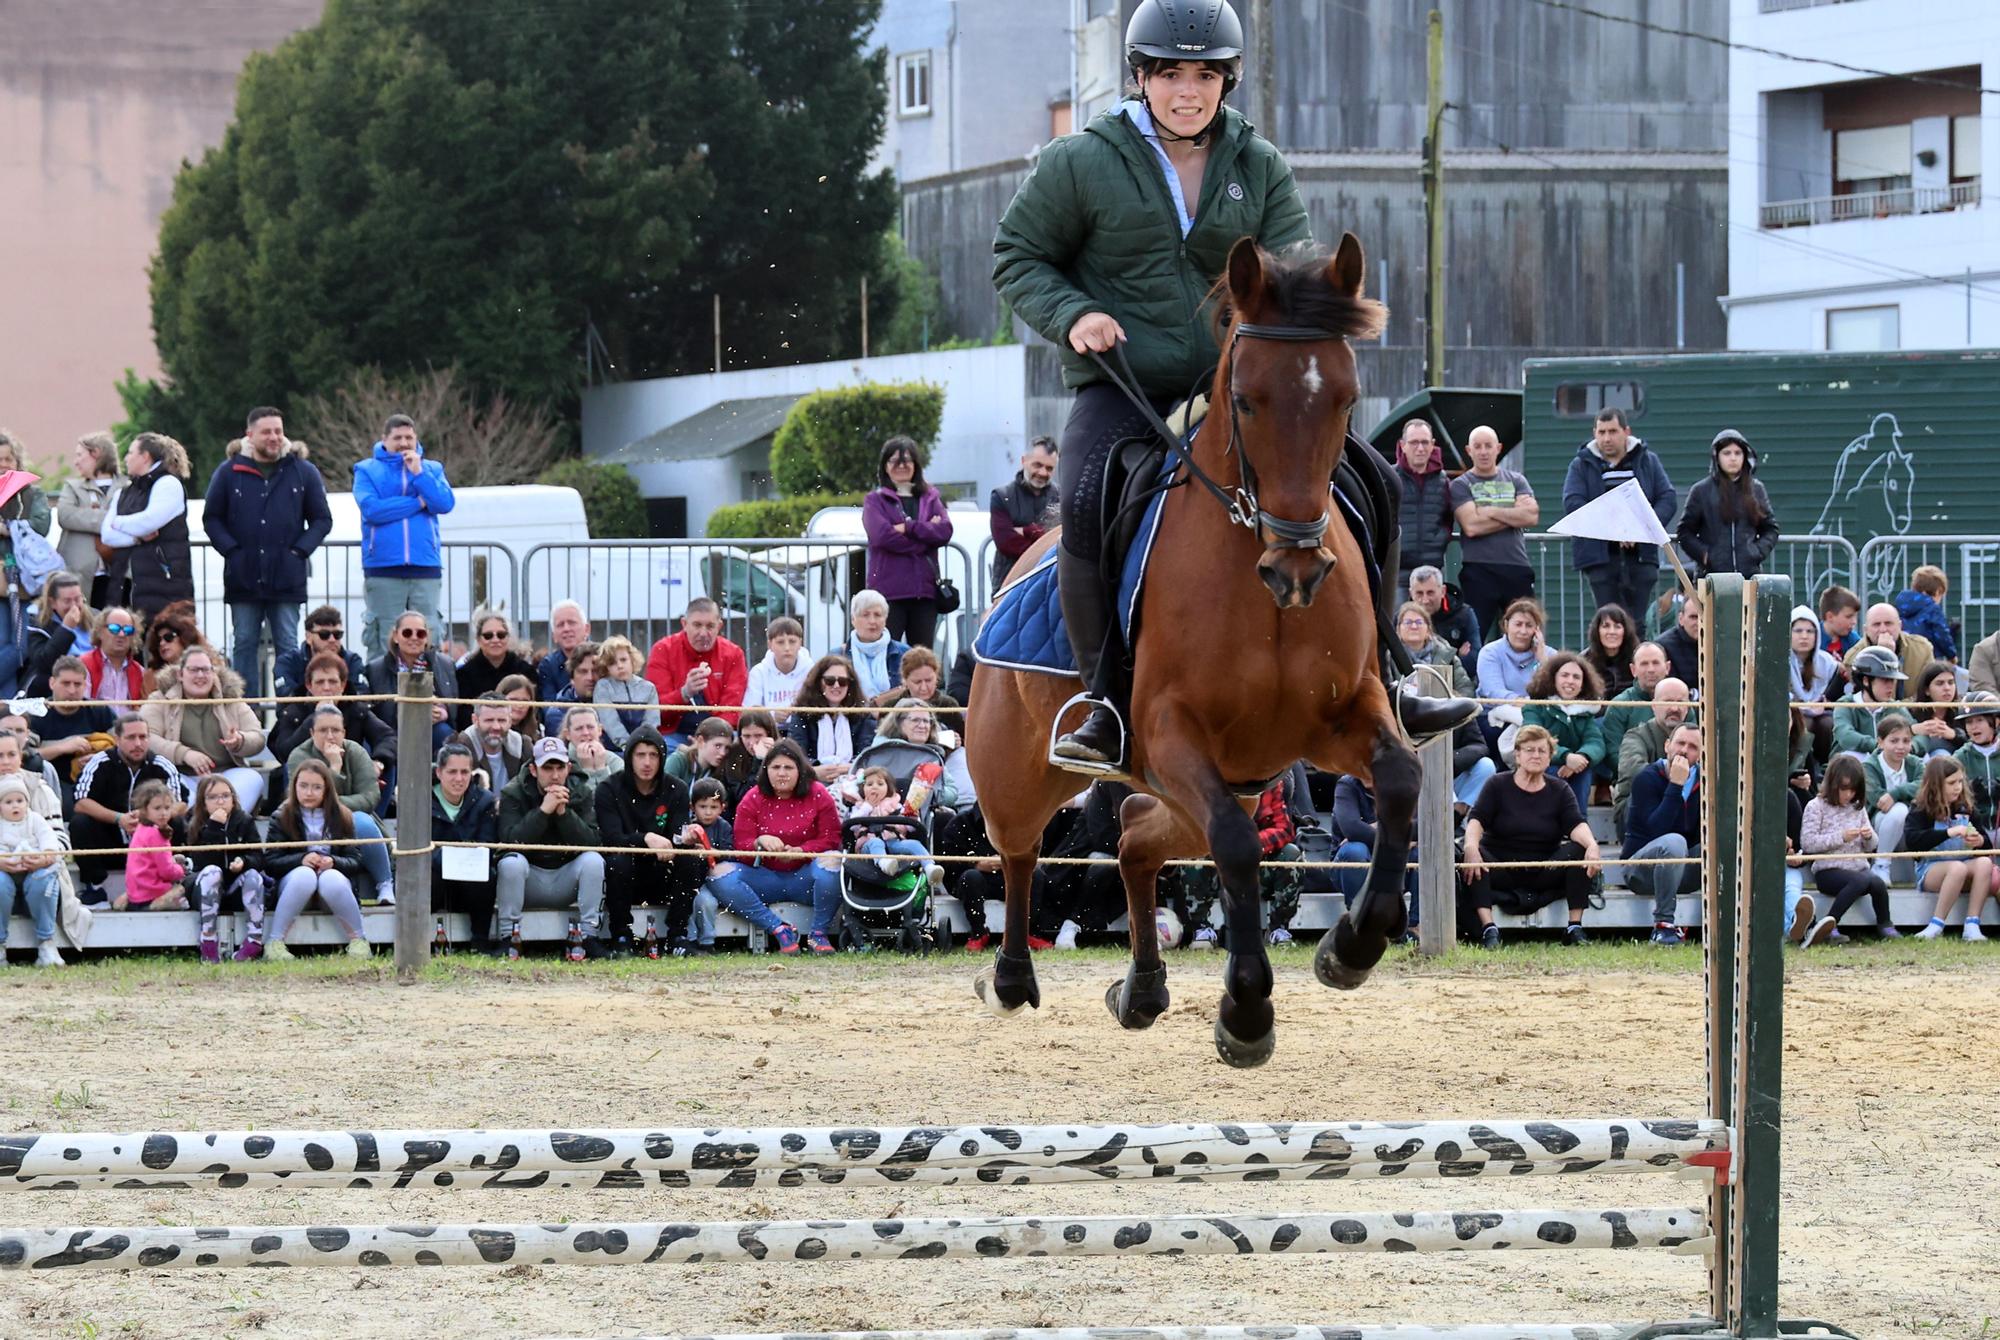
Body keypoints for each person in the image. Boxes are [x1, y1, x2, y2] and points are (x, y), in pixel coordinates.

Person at [993, 0, 1350, 771]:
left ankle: (1385, 671)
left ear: (1228, 80)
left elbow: (1290, 271)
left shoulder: (1260, 165)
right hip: (1122, 385)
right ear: (1141, 77)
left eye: (1204, 76)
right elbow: (1017, 256)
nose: (1187, 92)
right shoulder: (1079, 160)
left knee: (1372, 480)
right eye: (1169, 75)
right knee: (1085, 503)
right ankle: (1101, 704)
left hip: (1237, 391)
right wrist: (1073, 312)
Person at [203, 408, 334, 690]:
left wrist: (298, 551)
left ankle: (288, 711)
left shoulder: (304, 471)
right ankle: (245, 711)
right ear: (250, 435)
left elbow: (322, 520)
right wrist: (233, 552)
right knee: (244, 644)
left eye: (278, 431)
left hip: (287, 578)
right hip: (243, 577)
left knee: (288, 643)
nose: (274, 437)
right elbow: (212, 518)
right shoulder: (228, 472)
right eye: (267, 432)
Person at [1460, 724, 1603, 948]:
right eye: (1529, 750)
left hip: (1543, 867)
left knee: (1580, 850)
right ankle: (1489, 929)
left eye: (1541, 751)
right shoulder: (1497, 784)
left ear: (1550, 757)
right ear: (1517, 754)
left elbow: (1576, 824)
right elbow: (1476, 820)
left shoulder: (1560, 789)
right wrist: (1470, 846)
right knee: (1473, 854)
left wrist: (1592, 845)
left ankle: (1574, 927)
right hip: (1500, 866)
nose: (1535, 755)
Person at [706, 739, 842, 955]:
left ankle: (819, 934)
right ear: (766, 770)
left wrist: (802, 851)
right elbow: (739, 848)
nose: (782, 773)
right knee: (717, 874)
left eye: (788, 767)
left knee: (835, 859)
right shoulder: (753, 798)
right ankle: (779, 929)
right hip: (764, 877)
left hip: (806, 877)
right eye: (775, 767)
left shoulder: (818, 793)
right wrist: (759, 843)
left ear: (800, 770)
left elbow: (832, 838)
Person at [594, 725, 706, 956]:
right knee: (618, 860)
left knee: (690, 858)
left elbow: (677, 835)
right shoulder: (608, 788)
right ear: (629, 757)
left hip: (662, 869)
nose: (647, 762)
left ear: (662, 757)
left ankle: (678, 936)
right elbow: (611, 838)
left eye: (653, 755)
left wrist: (684, 839)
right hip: (625, 873)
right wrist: (646, 838)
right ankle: (621, 937)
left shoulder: (677, 788)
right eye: (640, 755)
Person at [1560, 407, 1677, 623]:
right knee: (1607, 624)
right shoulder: (1580, 465)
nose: (1607, 438)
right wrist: (1616, 530)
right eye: (1601, 432)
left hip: (1642, 556)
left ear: (1626, 431)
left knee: (1637, 625)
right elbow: (1573, 503)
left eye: (1613, 431)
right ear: (1594, 433)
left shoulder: (1647, 461)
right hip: (1599, 558)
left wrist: (1640, 528)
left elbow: (1667, 498)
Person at [495, 735, 609, 956]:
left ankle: (589, 937)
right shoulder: (513, 792)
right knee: (510, 863)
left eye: (559, 768)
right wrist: (543, 812)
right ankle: (508, 938)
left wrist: (563, 814)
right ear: (534, 770)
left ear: (568, 768)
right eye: (547, 768)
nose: (555, 776)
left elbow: (593, 841)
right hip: (529, 880)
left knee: (593, 860)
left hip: (566, 878)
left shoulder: (581, 791)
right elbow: (509, 841)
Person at [354, 412, 455, 661]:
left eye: (408, 437)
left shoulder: (432, 469)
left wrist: (419, 474)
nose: (403, 443)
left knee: (427, 635)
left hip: (425, 566)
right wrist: (419, 502)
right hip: (383, 567)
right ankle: (381, 697)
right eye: (397, 437)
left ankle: (433, 694)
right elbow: (373, 510)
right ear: (384, 439)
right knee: (383, 639)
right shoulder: (366, 470)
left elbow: (444, 502)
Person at [284, 703, 395, 904]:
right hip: (310, 824)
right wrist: (334, 768)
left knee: (361, 820)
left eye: (335, 730)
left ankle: (385, 883)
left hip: (351, 824)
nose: (330, 736)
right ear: (312, 732)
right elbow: (301, 800)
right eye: (323, 730)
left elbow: (370, 797)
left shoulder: (356, 751)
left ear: (344, 732)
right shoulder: (298, 756)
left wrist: (332, 805)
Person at [139, 647, 271, 815]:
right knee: (181, 797)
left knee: (253, 779)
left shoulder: (230, 698)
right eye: (193, 670)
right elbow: (147, 738)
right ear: (180, 674)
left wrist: (240, 741)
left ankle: (223, 825)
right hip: (180, 776)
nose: (200, 675)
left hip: (226, 776)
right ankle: (205, 826)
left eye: (206, 670)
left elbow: (257, 736)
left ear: (213, 673)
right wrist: (184, 754)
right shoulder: (160, 699)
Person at [262, 759, 372, 961]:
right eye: (303, 786)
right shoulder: (281, 816)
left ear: (327, 790)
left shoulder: (342, 816)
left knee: (330, 878)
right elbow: (270, 862)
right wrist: (301, 859)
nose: (309, 793)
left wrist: (333, 862)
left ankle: (359, 940)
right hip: (295, 887)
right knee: (305, 875)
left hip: (330, 891)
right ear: (294, 787)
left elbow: (355, 860)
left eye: (316, 787)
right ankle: (275, 942)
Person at [70, 714, 183, 898]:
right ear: (117, 739)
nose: (138, 743)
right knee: (80, 823)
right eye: (131, 738)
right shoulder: (99, 763)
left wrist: (150, 818)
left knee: (177, 822)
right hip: (110, 841)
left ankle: (167, 883)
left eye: (143, 737)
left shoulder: (162, 765)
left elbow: (180, 803)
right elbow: (81, 802)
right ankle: (95, 887)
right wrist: (118, 818)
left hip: (150, 843)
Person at [861, 437, 954, 649]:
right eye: (894, 460)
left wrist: (908, 528)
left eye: (908, 460)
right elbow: (882, 536)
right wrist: (924, 540)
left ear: (916, 466)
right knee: (885, 653)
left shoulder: (930, 497)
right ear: (885, 466)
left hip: (924, 593)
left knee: (922, 658)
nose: (901, 466)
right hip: (888, 592)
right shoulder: (874, 500)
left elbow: (945, 531)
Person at [1449, 424, 1539, 637]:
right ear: (1469, 451)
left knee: (1526, 632)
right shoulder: (1461, 485)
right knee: (1475, 635)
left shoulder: (1517, 480)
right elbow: (1471, 526)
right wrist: (1512, 515)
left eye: (1488, 446)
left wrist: (1488, 511)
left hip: (1517, 568)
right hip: (1479, 571)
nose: (1483, 451)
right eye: (1477, 446)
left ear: (1498, 448)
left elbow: (1531, 516)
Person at [1797, 755, 1895, 946]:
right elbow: (1808, 843)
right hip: (1828, 871)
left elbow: (1871, 846)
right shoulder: (1815, 806)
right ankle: (1830, 925)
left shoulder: (1857, 808)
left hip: (1858, 867)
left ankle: (1885, 924)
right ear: (1833, 785)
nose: (1849, 795)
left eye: (1853, 789)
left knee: (1877, 883)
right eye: (1844, 789)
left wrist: (1868, 836)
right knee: (1860, 880)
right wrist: (1840, 837)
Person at [1623, 721, 1704, 945]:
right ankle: (1663, 926)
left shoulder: (1705, 782)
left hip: (1682, 871)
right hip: (1641, 870)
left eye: (1693, 747)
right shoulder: (1646, 778)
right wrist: (1676, 785)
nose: (1684, 751)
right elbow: (1656, 830)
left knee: (1722, 843)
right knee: (1674, 842)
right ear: (1667, 745)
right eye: (1680, 743)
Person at [98, 432, 194, 621]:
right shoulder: (124, 492)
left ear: (145, 457)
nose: (125, 458)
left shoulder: (168, 484)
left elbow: (148, 522)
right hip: (128, 583)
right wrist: (135, 538)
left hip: (166, 586)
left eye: (130, 452)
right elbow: (107, 536)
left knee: (165, 643)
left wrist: (117, 522)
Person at [1906, 754, 1995, 941]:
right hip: (1931, 870)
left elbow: (1986, 845)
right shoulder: (1921, 808)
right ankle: (1936, 925)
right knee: (1957, 868)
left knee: (1985, 863)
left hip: (1963, 868)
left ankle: (1972, 925)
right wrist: (1949, 832)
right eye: (1951, 782)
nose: (1958, 787)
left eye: (1961, 782)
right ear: (1936, 784)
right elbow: (1913, 842)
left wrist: (1979, 842)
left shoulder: (1966, 808)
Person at [270, 653, 396, 779]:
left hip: (349, 777)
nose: (326, 688)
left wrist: (379, 762)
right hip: (306, 780)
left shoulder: (356, 709)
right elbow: (284, 752)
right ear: (309, 686)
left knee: (388, 768)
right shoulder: (294, 710)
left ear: (343, 685)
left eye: (332, 682)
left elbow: (388, 737)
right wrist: (314, 718)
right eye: (320, 682)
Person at [1674, 429, 1778, 579]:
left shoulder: (1756, 489)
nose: (1733, 458)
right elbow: (1685, 532)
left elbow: (1771, 529)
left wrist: (1756, 552)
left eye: (1738, 453)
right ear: (1717, 457)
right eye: (1727, 453)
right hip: (1711, 578)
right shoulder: (1701, 491)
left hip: (1749, 577)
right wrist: (1705, 555)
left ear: (1745, 457)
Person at [188, 773, 269, 962]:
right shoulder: (194, 822)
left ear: (233, 798)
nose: (220, 801)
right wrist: (214, 828)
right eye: (213, 797)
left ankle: (254, 941)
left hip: (235, 889)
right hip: (205, 890)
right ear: (203, 802)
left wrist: (244, 862)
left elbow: (259, 857)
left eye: (225, 795)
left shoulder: (244, 820)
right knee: (212, 872)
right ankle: (208, 942)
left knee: (253, 876)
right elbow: (199, 863)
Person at [429, 741, 501, 954]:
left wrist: (458, 859)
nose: (459, 779)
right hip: (437, 877)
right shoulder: (422, 800)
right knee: (425, 875)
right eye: (452, 772)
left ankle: (480, 942)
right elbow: (421, 849)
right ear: (439, 772)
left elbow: (487, 845)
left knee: (487, 874)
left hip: (470, 877)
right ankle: (419, 941)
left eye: (464, 772)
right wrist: (453, 859)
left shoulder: (485, 800)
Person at [643, 597, 748, 740]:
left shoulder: (733, 654)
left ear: (719, 626)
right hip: (672, 734)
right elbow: (655, 709)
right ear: (684, 624)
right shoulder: (663, 650)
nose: (703, 633)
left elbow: (732, 708)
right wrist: (684, 693)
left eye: (710, 626)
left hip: (719, 735)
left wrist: (709, 741)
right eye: (697, 625)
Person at [1521, 652, 1606, 814]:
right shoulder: (1535, 707)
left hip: (1575, 769)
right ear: (1553, 678)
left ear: (1583, 684)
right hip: (1541, 767)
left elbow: (1596, 742)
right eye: (1565, 675)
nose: (1570, 681)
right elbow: (1533, 740)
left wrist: (1582, 757)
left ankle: (1577, 826)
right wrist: (1566, 757)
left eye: (1576, 677)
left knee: (1583, 771)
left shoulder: (1585, 713)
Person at [369, 609, 458, 751]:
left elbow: (454, 701)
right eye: (407, 633)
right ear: (395, 636)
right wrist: (415, 711)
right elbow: (378, 712)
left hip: (433, 729)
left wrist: (442, 709)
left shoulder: (445, 664)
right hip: (393, 732)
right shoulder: (375, 669)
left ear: (427, 637)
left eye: (420, 633)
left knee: (447, 736)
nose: (414, 637)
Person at [0, 773, 65, 967]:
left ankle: (46, 943)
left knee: (43, 880)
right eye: (9, 801)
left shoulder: (36, 820)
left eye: (20, 801)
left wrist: (42, 858)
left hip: (34, 871)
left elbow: (51, 845)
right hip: (6, 873)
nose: (15, 806)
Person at [1613, 676, 1693, 832]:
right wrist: (1677, 777)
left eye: (1680, 702)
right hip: (1637, 819)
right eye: (1668, 701)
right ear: (1654, 705)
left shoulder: (1695, 737)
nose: (1675, 709)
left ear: (1688, 707)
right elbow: (1634, 774)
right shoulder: (1635, 737)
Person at [784, 654, 875, 784]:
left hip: (853, 781)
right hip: (812, 781)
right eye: (830, 680)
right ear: (818, 682)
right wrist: (814, 770)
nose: (836, 685)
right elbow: (796, 752)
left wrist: (852, 767)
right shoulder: (802, 713)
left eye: (843, 681)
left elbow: (867, 753)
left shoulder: (862, 714)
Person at [34, 656, 116, 793]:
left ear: (85, 685)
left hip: (99, 783)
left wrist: (99, 758)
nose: (72, 691)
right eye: (65, 684)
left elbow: (125, 746)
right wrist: (62, 747)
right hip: (50, 786)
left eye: (77, 684)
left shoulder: (100, 710)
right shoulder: (37, 713)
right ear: (52, 683)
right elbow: (23, 756)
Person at [57, 431, 120, 607]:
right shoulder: (72, 487)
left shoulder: (127, 487)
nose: (76, 461)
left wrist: (87, 515)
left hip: (120, 575)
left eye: (79, 455)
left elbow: (137, 519)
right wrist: (112, 519)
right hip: (79, 576)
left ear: (97, 453)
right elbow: (66, 515)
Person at [1389, 419, 1453, 590]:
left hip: (1433, 569)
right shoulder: (1389, 479)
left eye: (1425, 442)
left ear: (1432, 445)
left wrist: (1440, 538)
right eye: (1414, 442)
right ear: (1402, 445)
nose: (1420, 448)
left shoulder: (1443, 481)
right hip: (1397, 571)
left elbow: (1448, 518)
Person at [990, 436, 1059, 590]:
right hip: (1009, 582)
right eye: (1038, 465)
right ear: (1023, 461)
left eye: (1049, 468)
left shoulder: (1060, 497)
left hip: (1049, 582)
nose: (1042, 472)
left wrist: (1027, 531)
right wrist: (1043, 538)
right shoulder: (1001, 496)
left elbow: (1061, 538)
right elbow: (1006, 542)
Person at [1862, 715, 1923, 881]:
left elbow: (1925, 786)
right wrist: (1907, 797)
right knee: (1900, 810)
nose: (1901, 747)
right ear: (1881, 742)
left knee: (1905, 811)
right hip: (1877, 827)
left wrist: (1896, 794)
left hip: (1910, 828)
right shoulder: (1869, 766)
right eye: (1894, 741)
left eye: (1906, 741)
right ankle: (1881, 864)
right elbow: (1878, 800)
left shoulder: (1915, 764)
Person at [1476, 598, 1551, 731]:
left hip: (1539, 716)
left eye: (1529, 625)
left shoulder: (1550, 655)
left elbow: (1554, 691)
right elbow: (1494, 691)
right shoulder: (1490, 652)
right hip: (1495, 718)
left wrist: (1543, 661)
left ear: (1537, 629)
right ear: (1506, 625)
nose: (1523, 631)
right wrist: (1522, 703)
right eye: (1518, 624)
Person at [454, 609, 534, 730]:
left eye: (501, 635)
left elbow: (535, 710)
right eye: (488, 636)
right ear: (478, 640)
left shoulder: (526, 671)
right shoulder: (464, 674)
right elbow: (463, 716)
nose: (495, 640)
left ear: (508, 637)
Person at [117, 779, 189, 911]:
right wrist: (181, 870)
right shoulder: (156, 833)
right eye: (157, 808)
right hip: (152, 893)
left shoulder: (141, 829)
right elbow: (167, 871)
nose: (163, 813)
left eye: (167, 808)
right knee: (188, 885)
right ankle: (156, 904)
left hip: (137, 893)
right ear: (144, 810)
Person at [21, 571, 95, 697]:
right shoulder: (38, 624)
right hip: (57, 682)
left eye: (78, 599)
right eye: (67, 601)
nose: (74, 606)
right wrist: (66, 629)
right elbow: (44, 662)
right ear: (52, 603)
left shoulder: (96, 618)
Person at [274, 605, 371, 701]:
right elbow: (287, 697)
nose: (332, 640)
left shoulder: (352, 661)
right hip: (302, 716)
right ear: (308, 637)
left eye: (337, 634)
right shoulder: (288, 662)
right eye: (324, 635)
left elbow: (362, 697)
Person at [1830, 646, 1912, 757]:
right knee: (1852, 756)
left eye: (1893, 680)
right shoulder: (1846, 704)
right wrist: (1882, 746)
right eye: (1885, 680)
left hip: (1887, 764)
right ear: (1866, 681)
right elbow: (1845, 736)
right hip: (1849, 768)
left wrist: (1911, 747)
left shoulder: (1895, 707)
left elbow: (1919, 735)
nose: (1891, 686)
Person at [1789, 607, 1842, 765]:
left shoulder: (1827, 662)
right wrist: (1806, 708)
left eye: (1810, 631)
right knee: (1805, 724)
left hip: (1821, 711)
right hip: (1793, 713)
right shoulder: (1781, 661)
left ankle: (1826, 769)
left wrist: (1823, 702)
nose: (1804, 636)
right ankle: (1801, 768)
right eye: (1798, 631)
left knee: (1828, 724)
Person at [452, 694, 532, 794]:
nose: (496, 727)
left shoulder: (523, 745)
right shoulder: (461, 746)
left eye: (502, 720)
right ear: (475, 720)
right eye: (489, 720)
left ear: (510, 721)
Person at [837, 590, 907, 704]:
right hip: (852, 720)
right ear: (853, 620)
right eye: (865, 615)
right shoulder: (838, 655)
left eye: (878, 615)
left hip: (895, 719)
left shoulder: (905, 653)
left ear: (885, 620)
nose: (872, 621)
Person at [591, 634, 662, 747]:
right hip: (613, 748)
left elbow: (651, 722)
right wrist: (627, 746)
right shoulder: (603, 687)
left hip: (645, 746)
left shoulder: (649, 688)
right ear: (606, 667)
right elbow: (610, 722)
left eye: (623, 660)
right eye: (612, 663)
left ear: (632, 660)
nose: (619, 666)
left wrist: (642, 743)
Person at [1841, 603, 1932, 686]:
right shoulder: (1853, 658)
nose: (1883, 629)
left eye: (1888, 623)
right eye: (1876, 624)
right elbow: (1869, 699)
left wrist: (1903, 704)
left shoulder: (1922, 649)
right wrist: (1885, 656)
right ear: (1866, 630)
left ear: (1900, 626)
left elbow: (1927, 692)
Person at [744, 617, 810, 721]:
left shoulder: (811, 670)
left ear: (800, 643)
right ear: (770, 645)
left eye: (792, 641)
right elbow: (749, 711)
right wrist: (772, 715)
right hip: (770, 730)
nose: (787, 648)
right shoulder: (758, 672)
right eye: (780, 642)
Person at [1892, 565, 1957, 665]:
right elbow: (1941, 634)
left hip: (1903, 657)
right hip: (1928, 656)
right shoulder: (1932, 609)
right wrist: (1951, 655)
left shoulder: (1899, 605)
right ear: (1938, 591)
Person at [80, 606, 145, 707]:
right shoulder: (83, 665)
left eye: (128, 630)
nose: (122, 634)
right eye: (114, 628)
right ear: (100, 632)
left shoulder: (140, 672)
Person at [536, 600, 592, 701]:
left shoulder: (602, 659)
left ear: (586, 629)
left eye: (572, 623)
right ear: (554, 636)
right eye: (560, 625)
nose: (566, 629)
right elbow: (549, 707)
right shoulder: (548, 665)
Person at [542, 641, 600, 738]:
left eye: (596, 671)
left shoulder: (619, 705)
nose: (590, 678)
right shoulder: (557, 713)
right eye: (583, 672)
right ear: (571, 678)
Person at [1582, 604, 1641, 700]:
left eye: (1617, 626)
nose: (1612, 632)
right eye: (1606, 626)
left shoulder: (1637, 657)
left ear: (1625, 631)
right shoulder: (1585, 660)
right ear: (1597, 631)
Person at [1907, 662, 1964, 757]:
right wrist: (1912, 730)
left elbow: (1974, 743)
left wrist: (1954, 735)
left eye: (1951, 682)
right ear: (1926, 690)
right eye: (1940, 683)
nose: (1947, 688)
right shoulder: (1910, 711)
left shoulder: (1963, 710)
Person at [561, 706, 623, 788]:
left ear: (599, 730)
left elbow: (617, 798)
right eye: (579, 728)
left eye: (590, 727)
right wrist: (588, 769)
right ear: (567, 734)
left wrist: (601, 769)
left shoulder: (614, 761)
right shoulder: (562, 762)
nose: (586, 733)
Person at [1655, 597, 1702, 691]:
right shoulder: (1663, 646)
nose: (1699, 622)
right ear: (1681, 619)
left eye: (1705, 617)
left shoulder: (1723, 643)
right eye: (1693, 617)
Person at [1818, 586, 1863, 662]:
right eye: (1849, 617)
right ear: (1830, 617)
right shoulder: (1813, 640)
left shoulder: (1853, 640)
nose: (1854, 621)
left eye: (1855, 616)